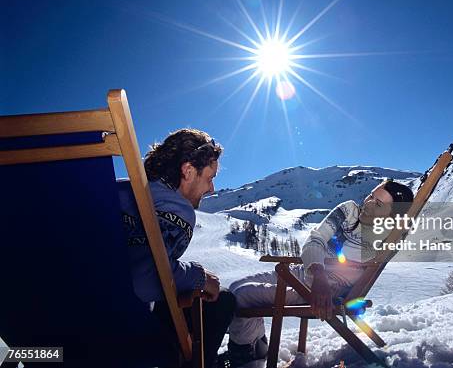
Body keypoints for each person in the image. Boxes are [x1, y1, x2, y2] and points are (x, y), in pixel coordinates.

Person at [222, 180, 414, 366]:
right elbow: (316, 238)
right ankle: (255, 347)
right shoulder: (349, 210)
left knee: (242, 296)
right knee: (234, 288)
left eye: (378, 204)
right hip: (308, 273)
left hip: (326, 290)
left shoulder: (389, 237)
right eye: (371, 196)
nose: (368, 203)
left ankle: (248, 360)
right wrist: (319, 275)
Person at [117, 128, 236, 368]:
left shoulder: (115, 190)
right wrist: (199, 277)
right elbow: (143, 280)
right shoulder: (177, 209)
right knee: (221, 301)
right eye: (210, 178)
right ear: (188, 171)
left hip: (47, 336)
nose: (212, 188)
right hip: (119, 333)